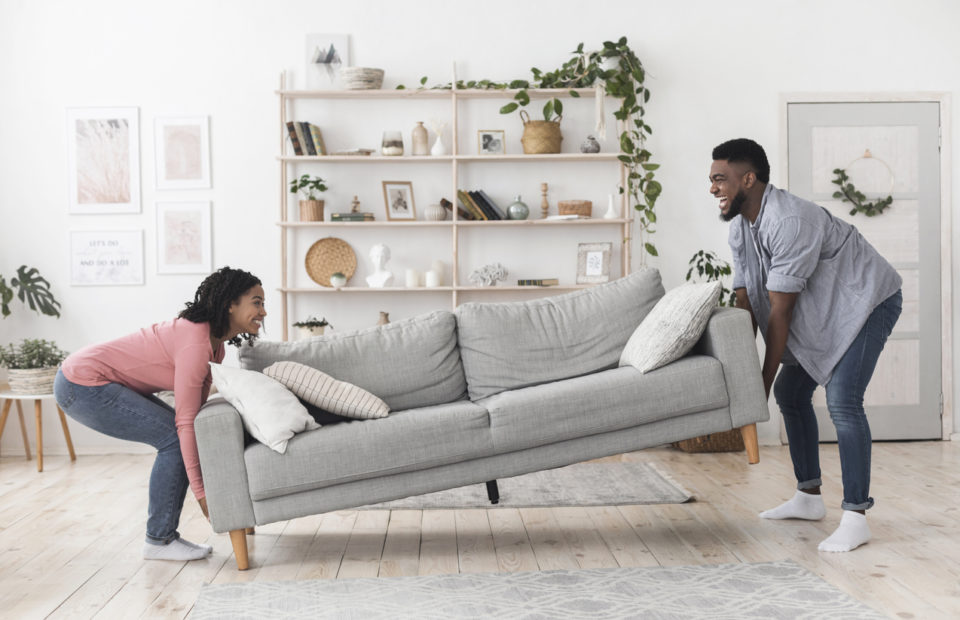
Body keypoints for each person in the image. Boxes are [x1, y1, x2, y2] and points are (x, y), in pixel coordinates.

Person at [710, 138, 902, 552]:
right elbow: (746, 303)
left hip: (868, 301)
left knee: (842, 400)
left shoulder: (789, 220)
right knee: (792, 392)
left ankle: (856, 515)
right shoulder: (741, 228)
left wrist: (757, 389)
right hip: (828, 308)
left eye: (720, 179)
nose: (713, 188)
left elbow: (780, 313)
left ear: (749, 178)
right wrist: (745, 380)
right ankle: (809, 496)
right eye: (711, 180)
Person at [53, 267, 266, 561]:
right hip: (81, 383)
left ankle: (162, 538)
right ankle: (160, 540)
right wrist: (202, 493)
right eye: (256, 302)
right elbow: (186, 422)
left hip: (93, 380)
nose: (263, 312)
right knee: (173, 438)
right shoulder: (195, 343)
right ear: (230, 303)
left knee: (175, 436)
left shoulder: (214, 348)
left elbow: (196, 415)